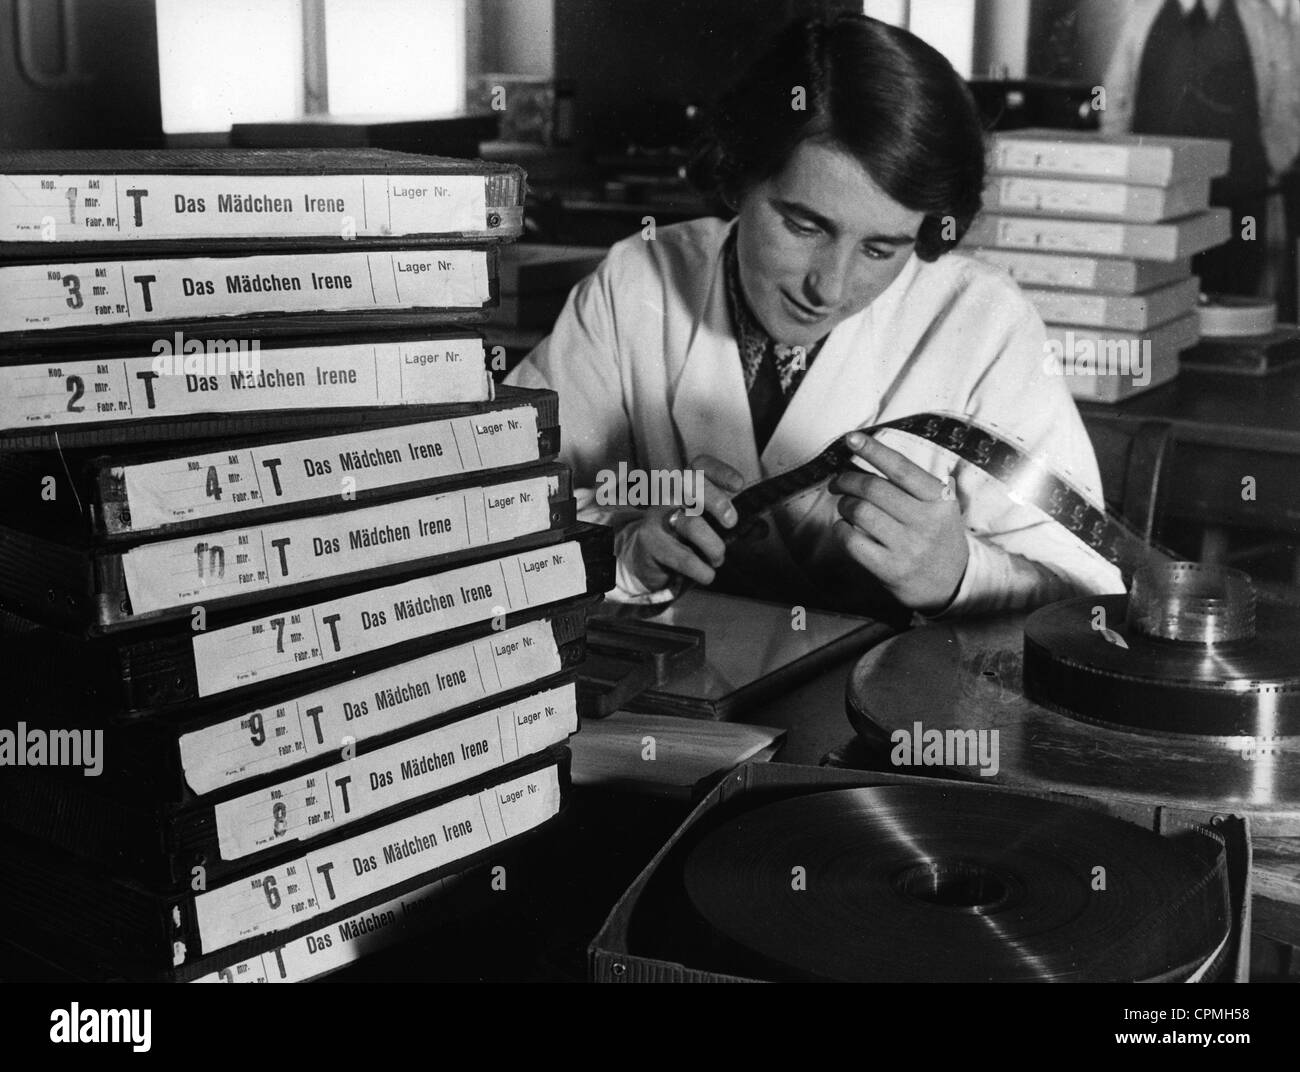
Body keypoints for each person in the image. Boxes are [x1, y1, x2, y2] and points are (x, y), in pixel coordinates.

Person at [507, 14, 1124, 625]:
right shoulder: (636, 280)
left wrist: (960, 577)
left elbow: (1094, 602)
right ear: (739, 173)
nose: (827, 287)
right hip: (673, 704)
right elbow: (490, 506)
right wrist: (623, 552)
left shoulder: (985, 322)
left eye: (881, 249)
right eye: (804, 225)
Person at [1100, 0, 1300, 296]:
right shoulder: (1143, 14)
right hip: (1157, 202)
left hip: (1241, 201)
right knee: (1157, 302)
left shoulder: (1261, 17)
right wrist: (1119, 164)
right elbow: (1111, 94)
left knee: (1238, 302)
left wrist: (1270, 162)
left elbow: (1290, 98)